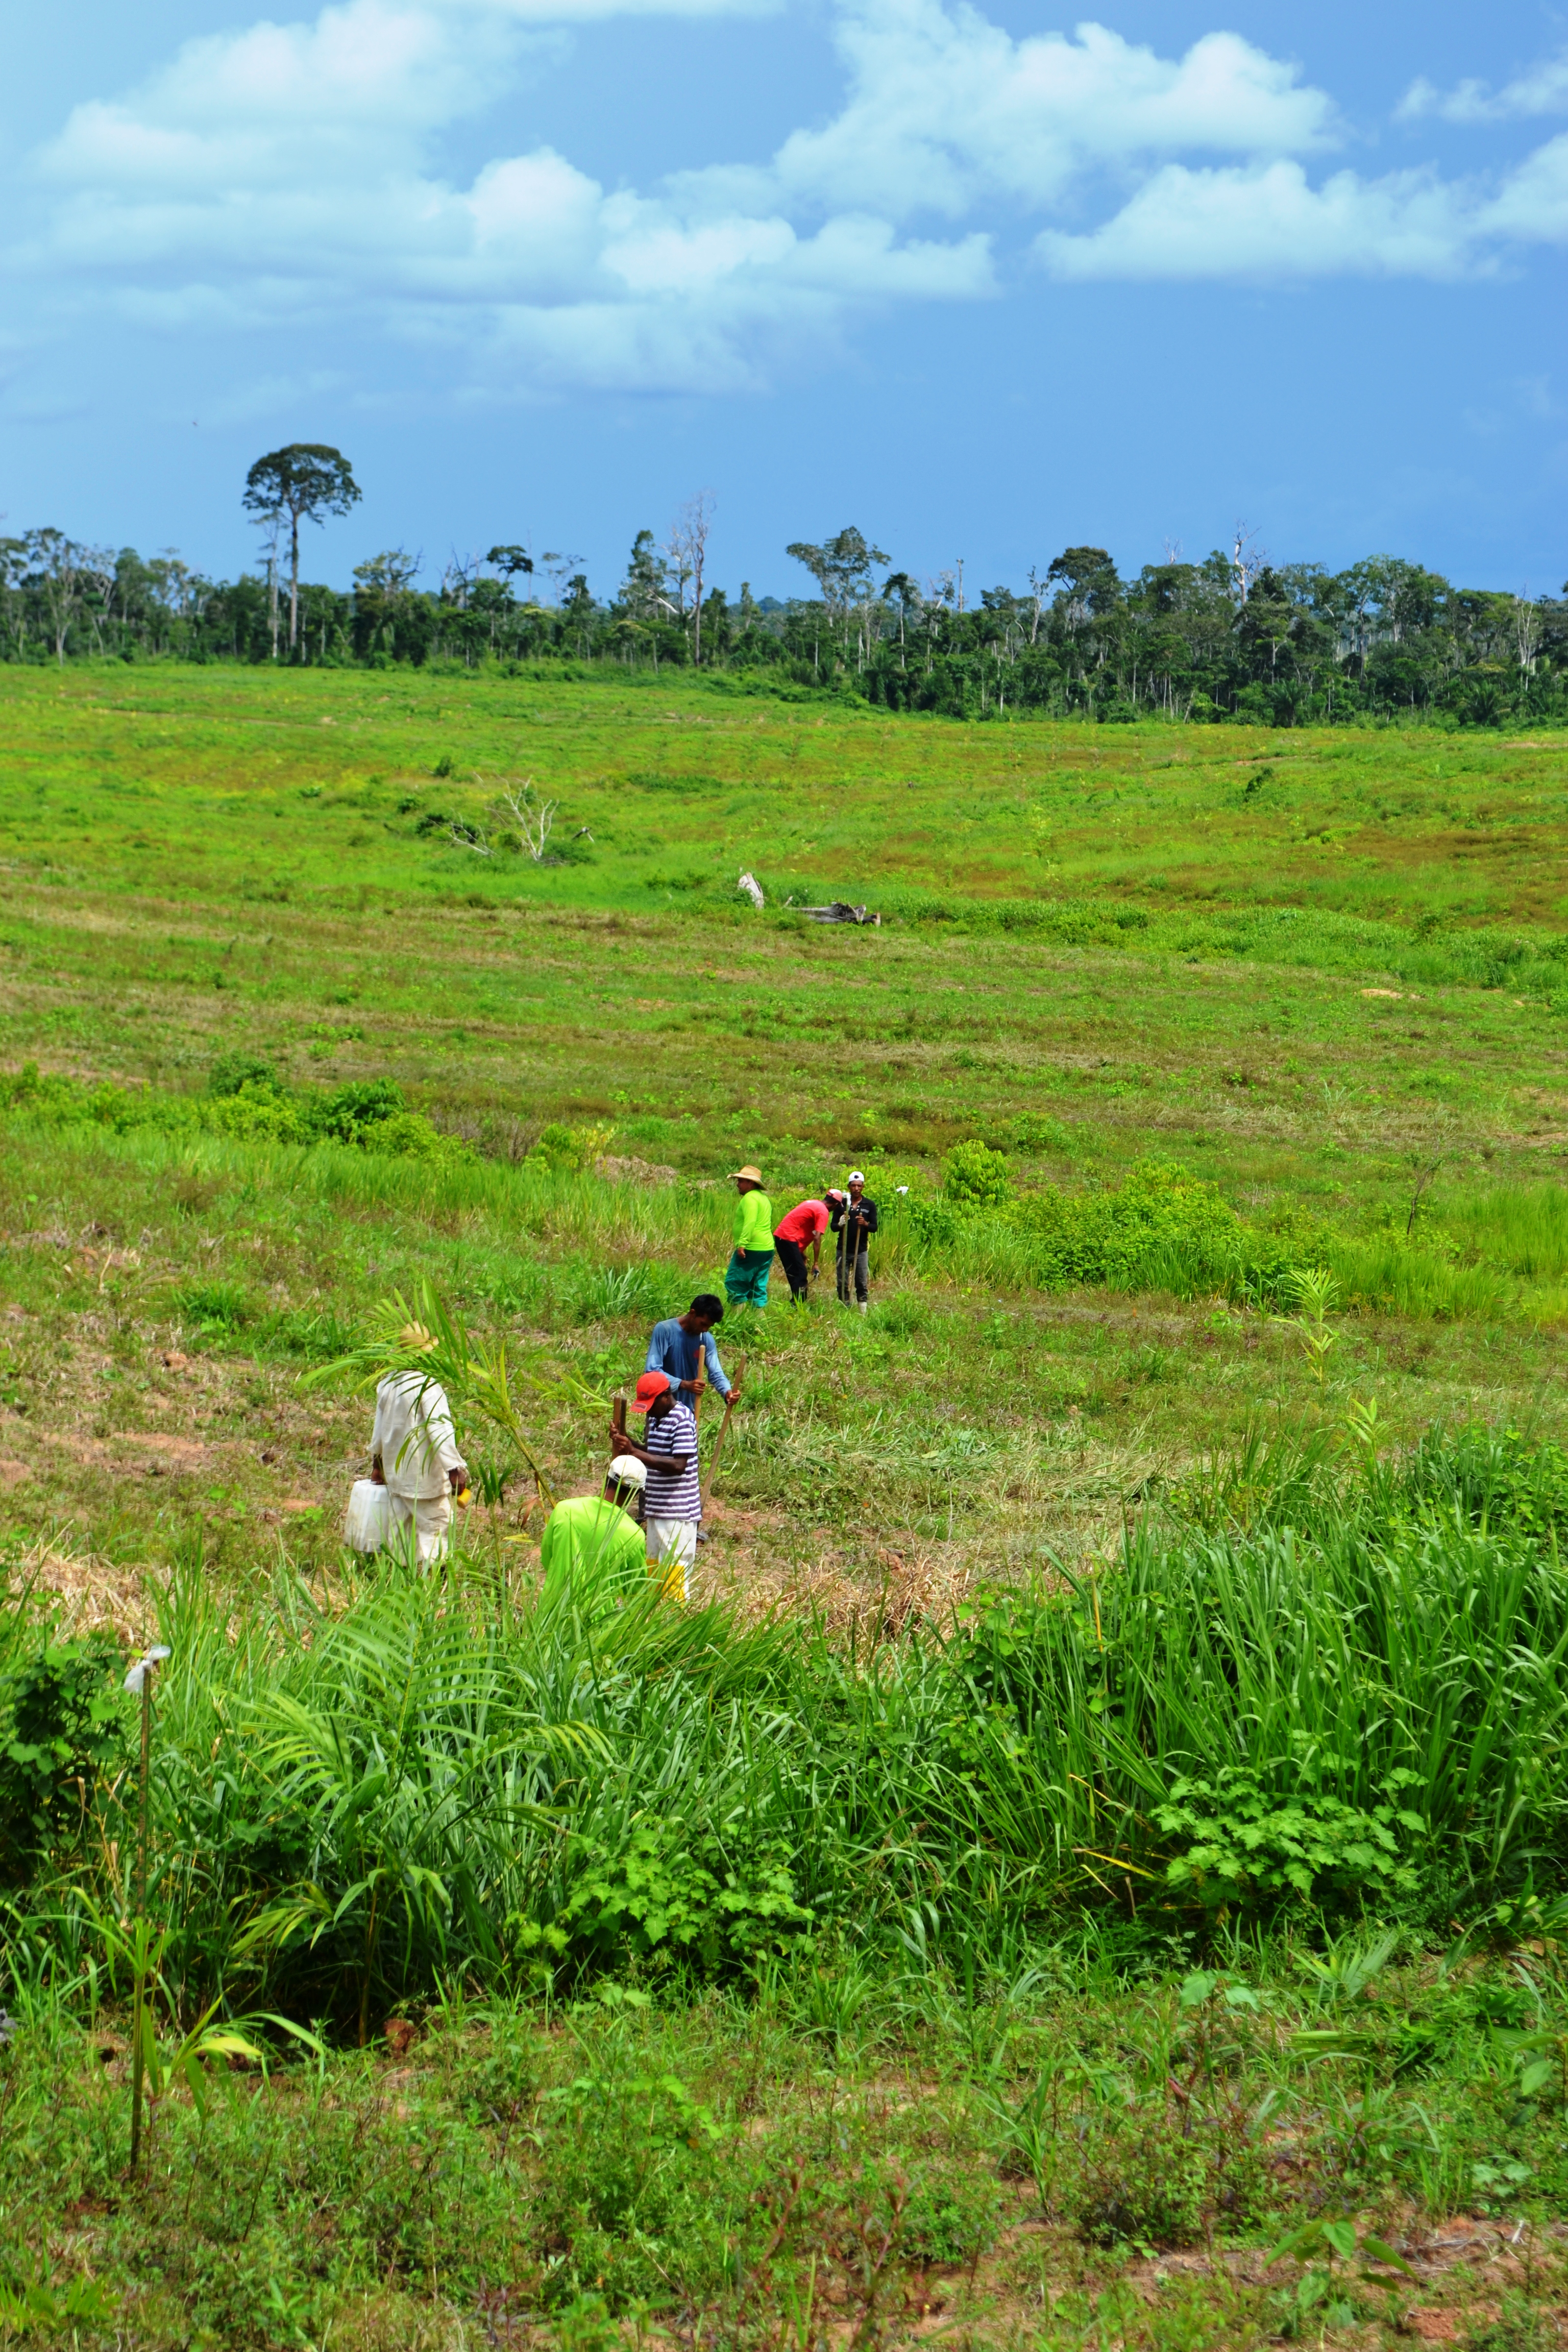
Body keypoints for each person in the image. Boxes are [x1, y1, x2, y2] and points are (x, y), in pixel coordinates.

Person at [610, 1370, 701, 1602]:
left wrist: (633, 1452)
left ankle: (676, 1620)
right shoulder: (654, 1418)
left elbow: (679, 1464)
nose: (648, 1410)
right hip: (655, 1507)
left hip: (677, 1512)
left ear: (665, 1396)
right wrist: (628, 1442)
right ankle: (655, 1615)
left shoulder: (682, 1419)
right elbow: (653, 1453)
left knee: (674, 1571)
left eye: (651, 1404)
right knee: (653, 1566)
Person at [370, 1366, 468, 1564]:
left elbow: (379, 1429)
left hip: (396, 1475)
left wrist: (378, 1465)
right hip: (424, 1477)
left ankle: (401, 1583)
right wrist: (454, 1468)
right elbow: (439, 1429)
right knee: (435, 1527)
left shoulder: (388, 1383)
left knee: (402, 1532)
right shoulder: (428, 1385)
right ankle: (432, 1585)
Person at [538, 1457, 647, 1613]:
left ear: (607, 1478)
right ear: (636, 1493)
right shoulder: (634, 1535)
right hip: (597, 1628)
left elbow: (547, 1557)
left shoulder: (564, 1509)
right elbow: (636, 1590)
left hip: (551, 1614)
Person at [646, 1295, 733, 1404]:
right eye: (703, 1324)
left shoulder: (706, 1339)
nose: (705, 1330)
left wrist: (727, 1392)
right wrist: (683, 1384)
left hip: (688, 1412)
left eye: (709, 1327)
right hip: (661, 1408)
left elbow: (716, 1373)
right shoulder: (665, 1330)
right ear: (693, 1313)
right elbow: (652, 1371)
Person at [772, 1193, 841, 1305]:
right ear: (835, 1205)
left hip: (783, 1237)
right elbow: (817, 1237)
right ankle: (797, 1305)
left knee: (796, 1271)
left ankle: (796, 1303)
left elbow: (799, 1226)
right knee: (800, 1273)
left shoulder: (813, 1203)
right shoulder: (823, 1211)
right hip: (788, 1239)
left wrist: (800, 1252)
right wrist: (816, 1263)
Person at [725, 1165, 775, 1309]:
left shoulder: (750, 1198)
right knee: (758, 1286)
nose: (738, 1184)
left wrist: (743, 1244)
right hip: (767, 1248)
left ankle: (738, 1321)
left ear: (751, 1183)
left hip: (752, 1248)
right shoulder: (764, 1199)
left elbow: (750, 1221)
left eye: (741, 1181)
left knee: (736, 1282)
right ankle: (760, 1323)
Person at [831, 1171, 880, 1313]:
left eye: (859, 1186)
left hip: (861, 1251)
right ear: (849, 1186)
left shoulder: (869, 1205)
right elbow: (833, 1227)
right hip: (843, 1249)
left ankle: (862, 1313)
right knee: (842, 1282)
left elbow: (875, 1227)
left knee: (861, 1282)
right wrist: (840, 1224)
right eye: (853, 1186)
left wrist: (865, 1223)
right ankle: (844, 1308)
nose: (856, 1189)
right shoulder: (842, 1204)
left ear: (863, 1187)